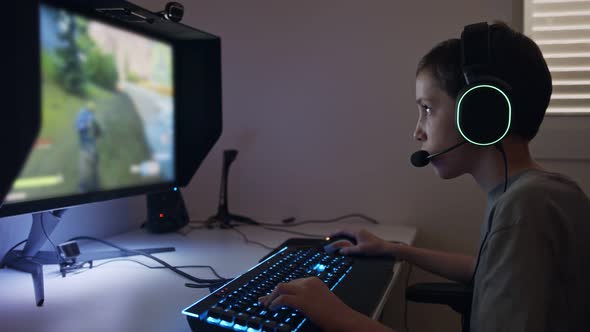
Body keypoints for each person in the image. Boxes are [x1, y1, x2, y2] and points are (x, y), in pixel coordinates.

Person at [259, 21, 590, 332]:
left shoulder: (524, 207)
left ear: (480, 114)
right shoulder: (541, 191)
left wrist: (337, 315)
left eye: (428, 109)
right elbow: (489, 271)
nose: (417, 131)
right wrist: (397, 250)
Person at [75, 101, 103, 192]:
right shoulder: (82, 115)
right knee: (85, 167)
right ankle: (83, 187)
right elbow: (79, 127)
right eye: (91, 111)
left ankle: (95, 186)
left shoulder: (90, 117)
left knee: (93, 166)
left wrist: (98, 135)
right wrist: (86, 126)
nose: (91, 113)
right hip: (85, 146)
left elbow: (98, 130)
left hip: (90, 145)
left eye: (92, 111)